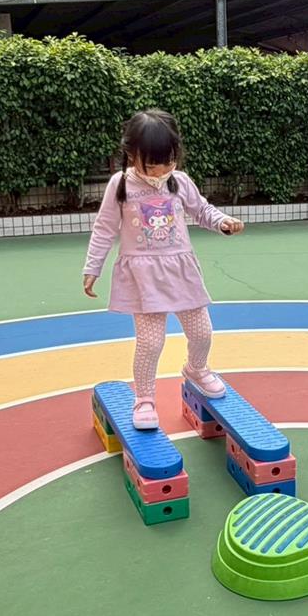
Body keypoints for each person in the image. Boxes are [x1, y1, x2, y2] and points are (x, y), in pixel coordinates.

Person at [83, 110, 245, 429]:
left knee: (202, 332)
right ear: (132, 155)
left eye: (168, 162)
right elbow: (104, 228)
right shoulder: (120, 185)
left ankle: (197, 369)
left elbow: (202, 210)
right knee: (150, 343)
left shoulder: (179, 181)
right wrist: (93, 267)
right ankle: (144, 398)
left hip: (181, 272)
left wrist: (223, 222)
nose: (160, 170)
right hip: (143, 279)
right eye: (152, 164)